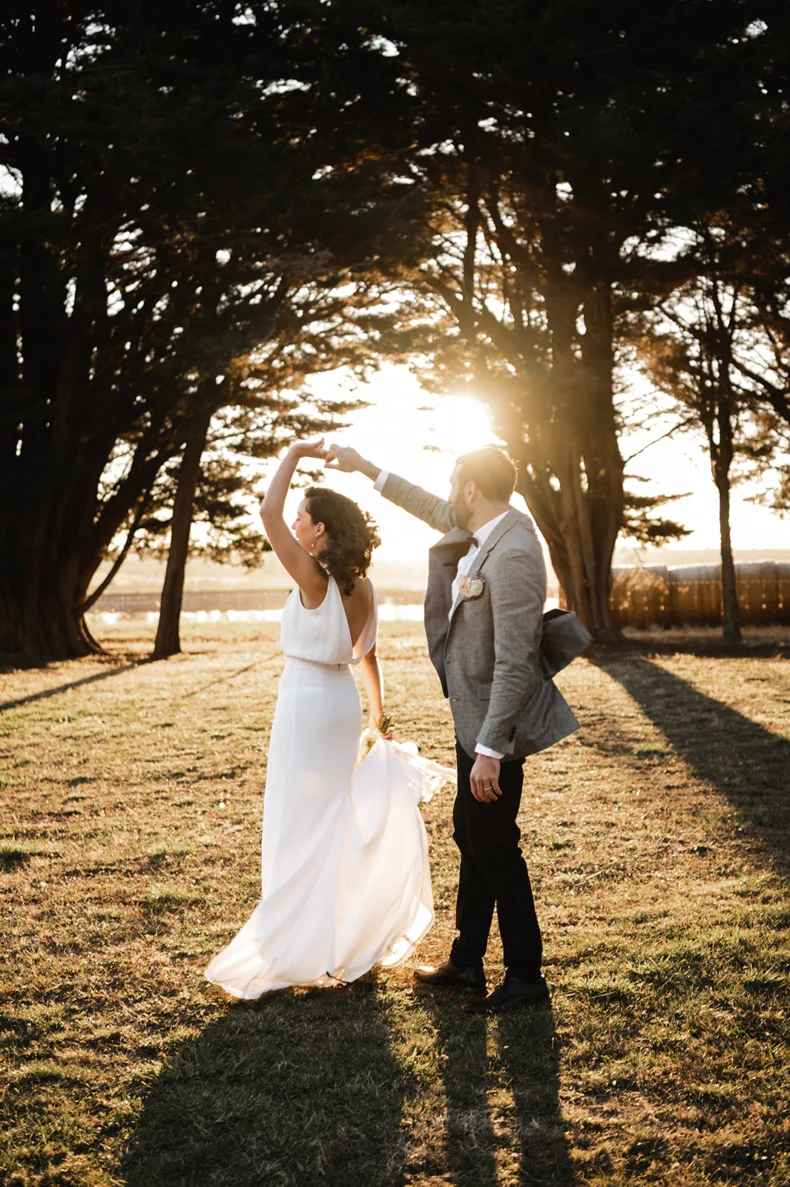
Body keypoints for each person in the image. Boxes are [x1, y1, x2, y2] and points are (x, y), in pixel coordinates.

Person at [324, 443, 580, 1014]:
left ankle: (525, 975)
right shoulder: (484, 528)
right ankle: (466, 961)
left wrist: (491, 750)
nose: (445, 493)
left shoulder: (514, 551)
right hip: (473, 720)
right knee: (472, 832)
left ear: (470, 488)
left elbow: (516, 660)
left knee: (493, 842)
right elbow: (426, 505)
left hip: (494, 728)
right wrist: (366, 467)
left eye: (451, 482)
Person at [204, 438, 441, 999]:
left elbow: (266, 513)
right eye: (296, 517)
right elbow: (368, 656)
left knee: (295, 820)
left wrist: (293, 453)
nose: (293, 523)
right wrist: (378, 718)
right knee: (329, 818)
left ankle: (289, 943)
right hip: (341, 703)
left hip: (307, 704)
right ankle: (333, 933)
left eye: (301, 518)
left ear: (319, 532)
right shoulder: (364, 587)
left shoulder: (314, 580)